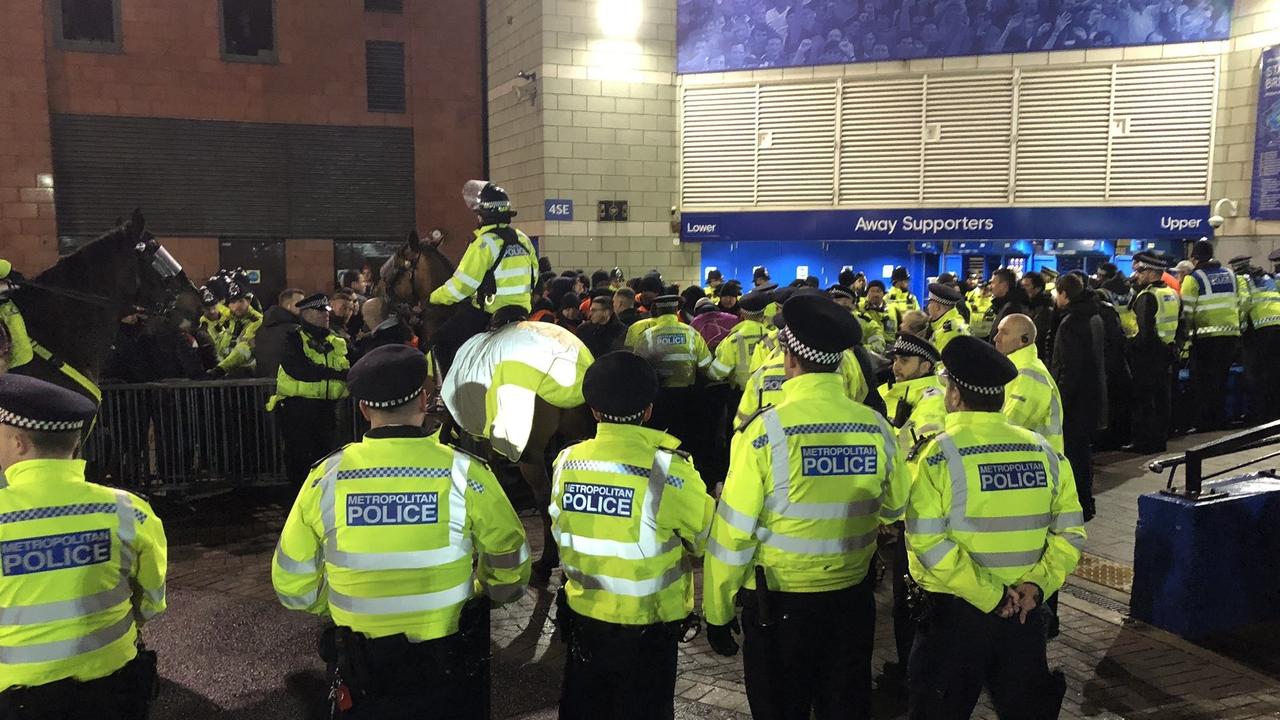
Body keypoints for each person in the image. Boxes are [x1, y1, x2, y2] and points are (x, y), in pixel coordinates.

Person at [272, 345, 529, 720]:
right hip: (446, 660)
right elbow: (509, 560)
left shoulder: (325, 479)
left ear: (363, 409)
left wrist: (340, 602)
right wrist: (481, 594)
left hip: (361, 668)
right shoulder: (466, 474)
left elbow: (291, 585)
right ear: (424, 400)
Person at [703, 294, 909, 720]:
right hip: (852, 601)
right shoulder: (877, 428)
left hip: (780, 607)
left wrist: (717, 611)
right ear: (839, 362)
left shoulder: (762, 433)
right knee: (845, 706)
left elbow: (733, 534)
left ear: (789, 359)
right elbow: (895, 507)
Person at [904, 335, 1084, 720]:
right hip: (1026, 613)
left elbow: (926, 539)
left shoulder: (940, 453)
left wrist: (990, 596)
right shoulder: (1044, 452)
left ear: (954, 396)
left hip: (955, 618)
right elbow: (1070, 533)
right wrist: (1037, 586)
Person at [550, 351, 714, 720]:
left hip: (584, 617)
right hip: (648, 628)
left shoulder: (567, 462)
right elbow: (704, 537)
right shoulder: (670, 471)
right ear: (649, 410)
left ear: (593, 410)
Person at [0, 374, 167, 720]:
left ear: (18, 442)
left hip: (18, 699)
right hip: (114, 688)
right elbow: (151, 597)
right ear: (74, 444)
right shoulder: (127, 510)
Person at [875, 332, 946, 695]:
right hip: (908, 513)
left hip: (915, 516)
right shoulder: (904, 394)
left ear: (926, 366)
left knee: (911, 600)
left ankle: (912, 674)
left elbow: (916, 459)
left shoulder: (930, 400)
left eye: (904, 361)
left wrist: (894, 512)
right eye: (895, 360)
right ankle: (909, 667)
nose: (896, 366)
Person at [429, 180, 539, 376]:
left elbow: (461, 287)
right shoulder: (523, 239)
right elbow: (535, 276)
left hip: (489, 313)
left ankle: (445, 395)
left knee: (440, 341)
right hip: (523, 311)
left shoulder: (484, 244)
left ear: (483, 216)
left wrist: (434, 297)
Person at [266, 293, 351, 486]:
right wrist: (337, 373)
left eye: (327, 310)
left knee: (328, 457)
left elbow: (353, 363)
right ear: (306, 313)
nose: (326, 314)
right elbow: (299, 369)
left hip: (328, 408)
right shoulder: (294, 337)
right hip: (298, 408)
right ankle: (299, 501)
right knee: (300, 459)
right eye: (320, 310)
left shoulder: (336, 340)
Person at [1051, 273, 1104, 521]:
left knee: (1074, 454)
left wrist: (1059, 400)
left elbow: (1068, 367)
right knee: (1083, 453)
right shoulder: (1092, 315)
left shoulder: (1071, 322)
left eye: (1056, 292)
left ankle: (1080, 504)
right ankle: (1086, 501)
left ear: (1064, 295)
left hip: (1075, 402)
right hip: (1090, 396)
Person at [631, 295, 713, 453]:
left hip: (659, 399)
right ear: (677, 310)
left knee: (660, 443)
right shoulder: (692, 333)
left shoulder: (647, 336)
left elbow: (637, 368)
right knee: (685, 439)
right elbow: (706, 366)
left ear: (656, 311)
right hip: (687, 398)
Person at [1180, 239, 1241, 431]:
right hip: (1231, 335)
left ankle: (1204, 422)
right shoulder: (1230, 275)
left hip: (1206, 338)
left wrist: (1187, 338)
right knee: (1221, 380)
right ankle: (1221, 419)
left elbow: (1187, 313)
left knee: (1203, 382)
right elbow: (1238, 302)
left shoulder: (1193, 278)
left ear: (1194, 258)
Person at [1126, 252, 1180, 452]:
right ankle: (1159, 440)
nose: (1137, 275)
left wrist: (1129, 346)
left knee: (1144, 400)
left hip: (1147, 357)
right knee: (1162, 399)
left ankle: (1143, 443)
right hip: (1167, 353)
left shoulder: (1147, 296)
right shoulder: (1172, 293)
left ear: (1150, 271)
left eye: (1140, 271)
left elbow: (1145, 332)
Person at [995, 314, 1065, 454]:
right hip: (1030, 461)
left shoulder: (1029, 375)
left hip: (1041, 463)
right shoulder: (1015, 370)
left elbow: (1012, 426)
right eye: (998, 331)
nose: (996, 338)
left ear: (1023, 340)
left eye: (1004, 333)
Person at [208, 282, 263, 377]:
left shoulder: (257, 320)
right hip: (225, 373)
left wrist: (220, 369)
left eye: (241, 301)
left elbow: (244, 349)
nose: (236, 306)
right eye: (233, 302)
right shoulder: (230, 319)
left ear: (249, 300)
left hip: (247, 375)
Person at [254, 288, 305, 379]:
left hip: (265, 386)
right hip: (288, 385)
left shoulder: (262, 328)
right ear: (289, 305)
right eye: (301, 303)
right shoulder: (294, 330)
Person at [982, 268, 1031, 342]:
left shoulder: (1012, 308)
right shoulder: (1006, 305)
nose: (990, 286)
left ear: (1004, 285)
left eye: (993, 283)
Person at [576, 293, 627, 358]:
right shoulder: (583, 329)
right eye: (591, 310)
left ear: (606, 312)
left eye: (594, 311)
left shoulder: (621, 331)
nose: (590, 314)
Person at [925, 282, 969, 352]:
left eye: (930, 303)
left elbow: (940, 362)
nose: (928, 307)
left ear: (937, 307)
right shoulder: (955, 320)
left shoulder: (947, 332)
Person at [1021, 272, 1055, 360]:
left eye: (1026, 286)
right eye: (1022, 286)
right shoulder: (1025, 306)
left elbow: (1036, 337)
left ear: (1038, 288)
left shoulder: (1045, 310)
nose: (1023, 289)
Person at [857, 280, 896, 353]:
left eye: (878, 291)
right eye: (872, 291)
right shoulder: (859, 308)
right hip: (868, 349)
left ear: (883, 294)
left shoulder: (892, 310)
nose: (875, 294)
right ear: (867, 293)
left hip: (888, 351)